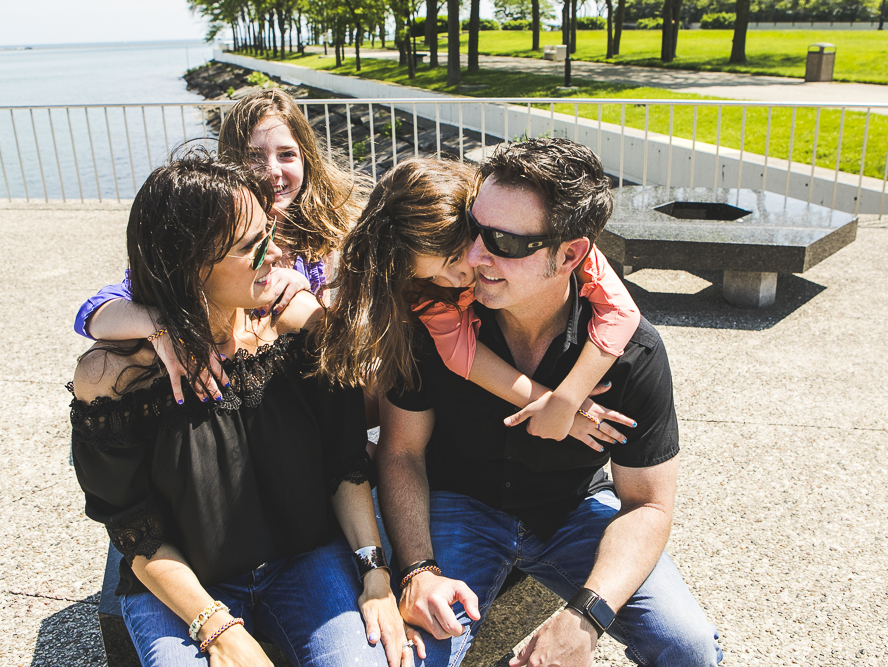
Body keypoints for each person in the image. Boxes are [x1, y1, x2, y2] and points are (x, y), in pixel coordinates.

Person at [374, 140, 723, 666]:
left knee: (688, 647)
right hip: (458, 503)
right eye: (474, 230)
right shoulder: (435, 313)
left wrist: (585, 617)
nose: (472, 256)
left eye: (504, 243)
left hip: (574, 507)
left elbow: (649, 504)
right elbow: (401, 452)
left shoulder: (633, 353)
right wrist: (419, 569)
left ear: (569, 255)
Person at [69, 149, 409, 667]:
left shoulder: (296, 324)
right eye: (255, 246)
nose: (278, 254)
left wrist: (374, 573)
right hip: (180, 582)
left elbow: (345, 462)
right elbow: (133, 528)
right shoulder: (115, 377)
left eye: (271, 232)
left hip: (302, 558)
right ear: (191, 262)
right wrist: (216, 626)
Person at [318, 157, 639, 450]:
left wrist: (567, 400)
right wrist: (556, 406)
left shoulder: (546, 242)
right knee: (341, 423)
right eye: (431, 276)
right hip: (398, 372)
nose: (456, 279)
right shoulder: (427, 294)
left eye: (455, 257)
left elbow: (621, 311)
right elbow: (464, 357)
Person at [74, 89, 363, 404]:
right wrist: (161, 326)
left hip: (279, 387)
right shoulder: (206, 230)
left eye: (286, 154)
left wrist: (304, 293)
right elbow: (93, 312)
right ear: (232, 164)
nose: (273, 170)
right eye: (254, 155)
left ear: (307, 158)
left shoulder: (319, 237)